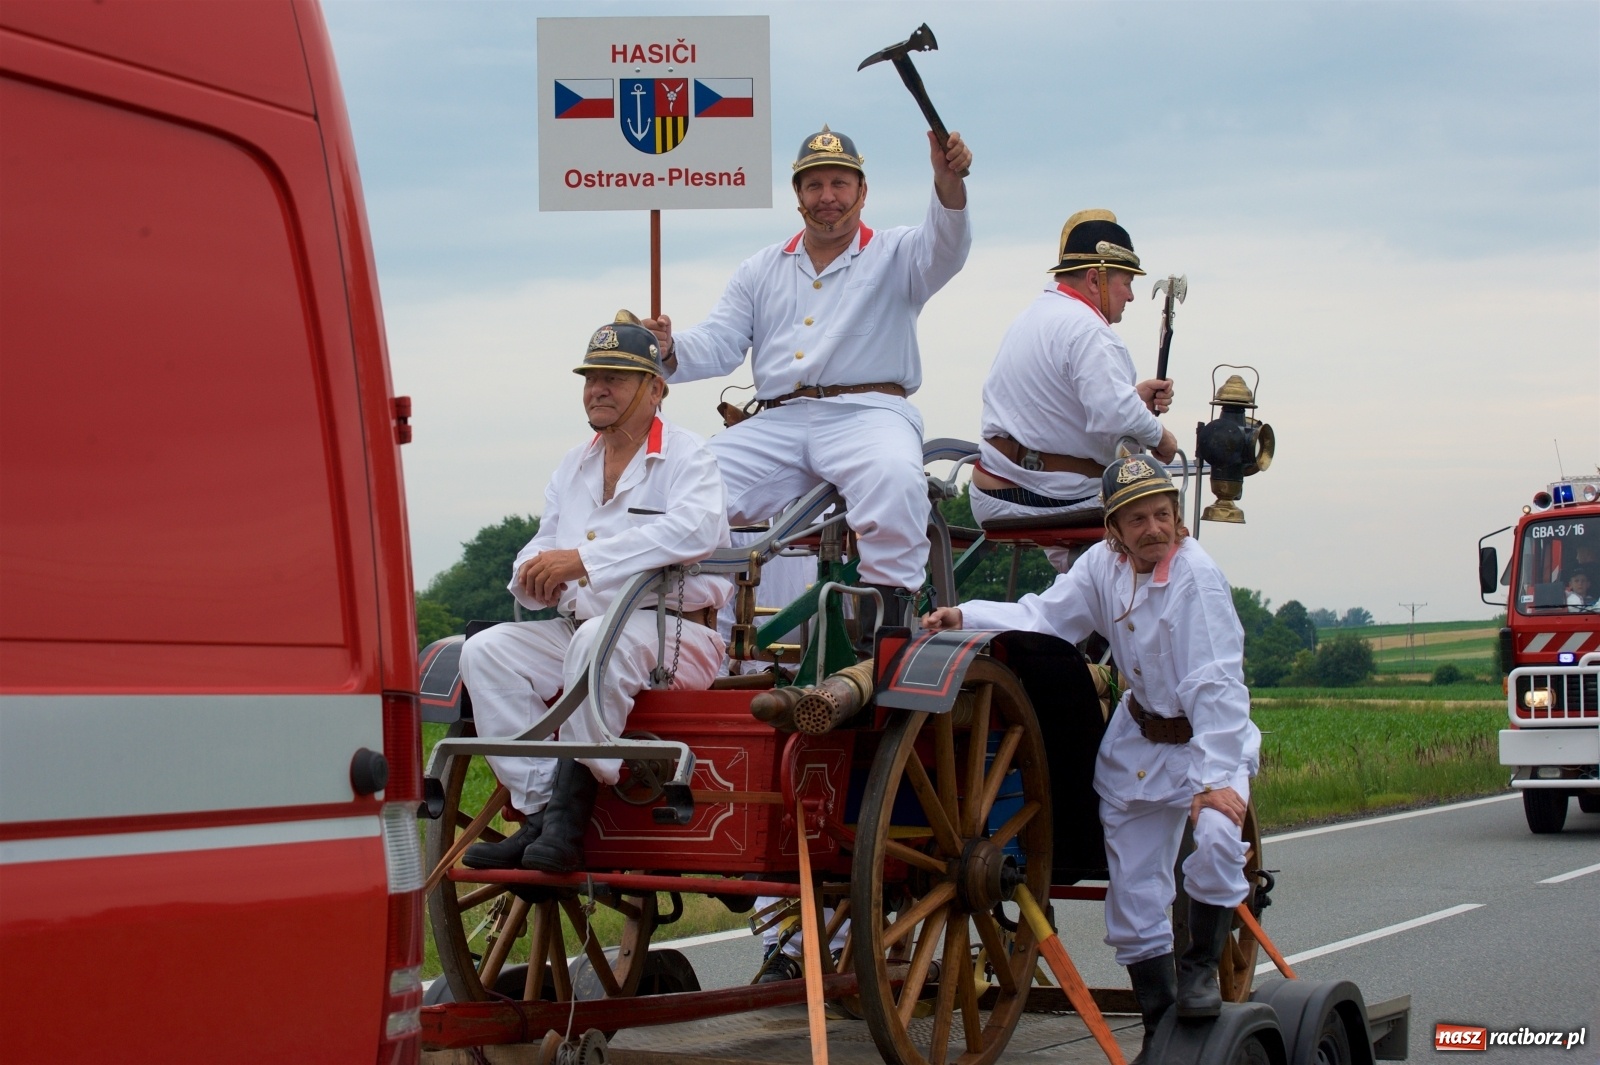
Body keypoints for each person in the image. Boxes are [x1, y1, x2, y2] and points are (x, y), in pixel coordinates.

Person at [922, 454, 1260, 1061]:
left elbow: (1217, 687)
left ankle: (1201, 968)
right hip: (1137, 741)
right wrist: (963, 616)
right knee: (1132, 895)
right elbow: (1043, 617)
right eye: (1137, 519)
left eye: (1162, 514)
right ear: (1114, 529)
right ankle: (1159, 1023)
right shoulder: (1103, 568)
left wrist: (1215, 781)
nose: (1153, 528)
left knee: (1213, 839)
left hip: (1207, 741)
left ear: (1176, 518)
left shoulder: (1196, 579)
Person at [638, 124, 973, 636]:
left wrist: (947, 181)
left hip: (871, 414)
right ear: (798, 195)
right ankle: (698, 633)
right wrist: (669, 347)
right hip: (778, 420)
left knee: (893, 476)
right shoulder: (761, 268)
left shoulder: (898, 252)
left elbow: (947, 245)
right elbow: (722, 340)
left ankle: (883, 635)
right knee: (689, 484)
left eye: (840, 184)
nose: (828, 198)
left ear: (863, 192)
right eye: (815, 186)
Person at [459, 313, 732, 875]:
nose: (598, 389)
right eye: (591, 377)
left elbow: (696, 530)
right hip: (583, 629)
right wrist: (531, 574)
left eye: (617, 377)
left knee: (594, 644)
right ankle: (541, 811)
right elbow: (542, 542)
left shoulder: (688, 455)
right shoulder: (573, 463)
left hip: (674, 637)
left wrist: (584, 561)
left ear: (656, 388)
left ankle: (565, 823)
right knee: (485, 652)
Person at [971, 210, 1178, 570]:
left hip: (998, 486)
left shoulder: (1035, 316)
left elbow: (1063, 406)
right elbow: (1115, 414)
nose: (1130, 296)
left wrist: (1132, 399)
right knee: (1160, 529)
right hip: (1044, 494)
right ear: (1095, 279)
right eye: (1126, 282)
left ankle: (1080, 607)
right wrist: (1163, 439)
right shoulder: (1090, 331)